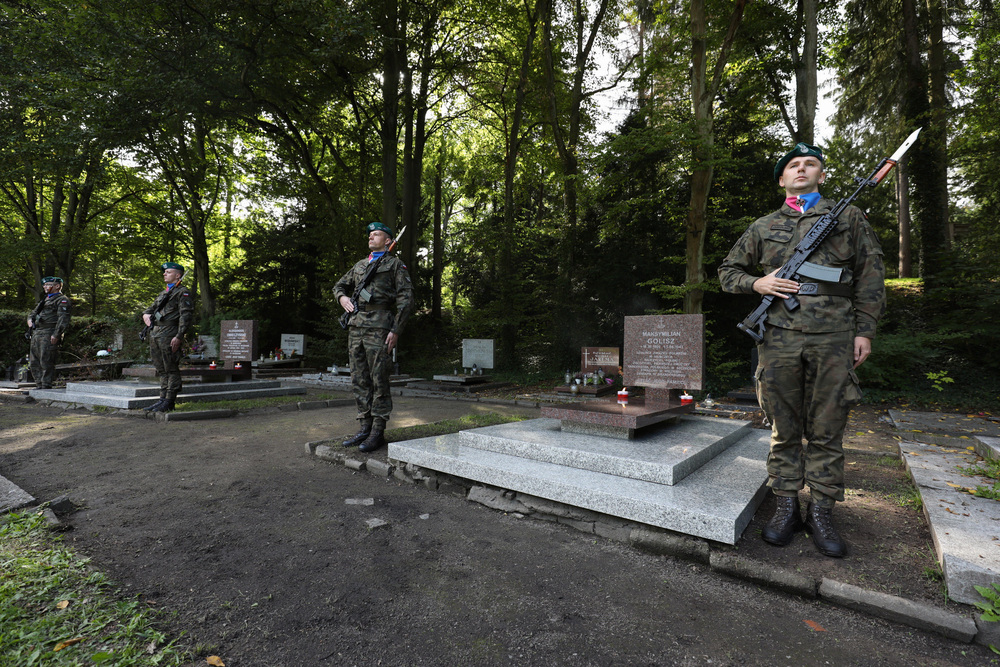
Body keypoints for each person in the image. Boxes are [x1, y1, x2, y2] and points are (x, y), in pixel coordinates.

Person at [718, 142, 886, 558]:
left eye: (810, 164)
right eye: (793, 165)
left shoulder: (847, 216)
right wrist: (757, 283)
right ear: (782, 178)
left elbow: (870, 274)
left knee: (829, 426)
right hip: (779, 337)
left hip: (834, 335)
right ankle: (786, 507)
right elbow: (727, 273)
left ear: (822, 175)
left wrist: (864, 330)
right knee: (784, 427)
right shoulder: (763, 225)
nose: (801, 169)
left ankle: (823, 510)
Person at [334, 222, 414, 453]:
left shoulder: (395, 265)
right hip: (356, 327)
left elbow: (406, 301)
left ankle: (378, 431)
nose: (371, 237)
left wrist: (396, 330)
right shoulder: (360, 265)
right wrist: (343, 299)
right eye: (369, 234)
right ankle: (364, 427)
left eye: (376, 234)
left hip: (380, 327)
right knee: (359, 379)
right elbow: (339, 286)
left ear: (388, 240)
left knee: (379, 379)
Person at [142, 262, 194, 413]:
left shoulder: (182, 292)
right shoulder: (164, 294)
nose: (164, 274)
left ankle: (170, 400)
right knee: (162, 370)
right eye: (164, 272)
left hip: (170, 334)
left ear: (178, 275)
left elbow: (186, 316)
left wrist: (179, 336)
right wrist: (146, 317)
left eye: (168, 272)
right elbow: (148, 311)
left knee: (171, 368)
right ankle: (162, 399)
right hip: (156, 334)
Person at [26, 277, 71, 389]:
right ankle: (39, 385)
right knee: (34, 361)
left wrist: (56, 334)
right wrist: (30, 320)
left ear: (57, 286)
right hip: (37, 333)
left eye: (48, 285)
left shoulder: (62, 300)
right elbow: (33, 313)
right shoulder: (45, 299)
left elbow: (63, 319)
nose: (45, 287)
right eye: (44, 285)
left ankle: (46, 385)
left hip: (49, 332)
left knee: (46, 360)